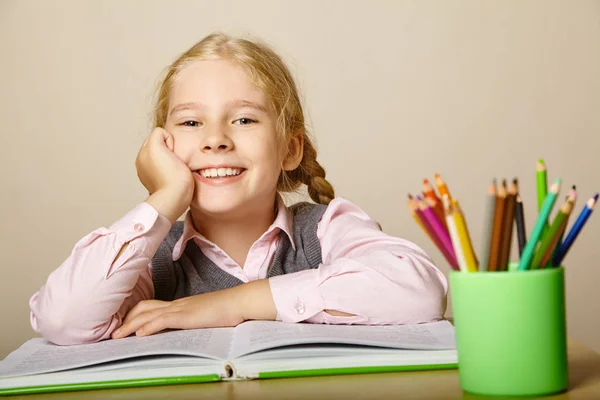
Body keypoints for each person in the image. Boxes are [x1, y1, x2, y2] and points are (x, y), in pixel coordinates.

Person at [29, 33, 448, 345]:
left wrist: (232, 304)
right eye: (191, 123)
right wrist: (163, 199)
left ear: (290, 149)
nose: (215, 140)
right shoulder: (154, 260)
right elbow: (62, 319)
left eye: (244, 120)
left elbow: (420, 290)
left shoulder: (326, 229)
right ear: (163, 146)